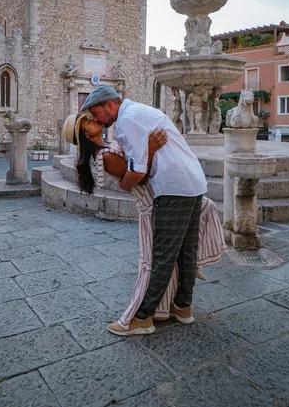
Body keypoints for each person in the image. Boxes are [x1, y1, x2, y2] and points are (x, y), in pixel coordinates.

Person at [62, 111, 226, 334]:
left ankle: (178, 306)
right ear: (85, 136)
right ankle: (148, 315)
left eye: (90, 117)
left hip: (167, 196)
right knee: (156, 262)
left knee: (185, 251)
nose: (93, 120)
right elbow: (137, 178)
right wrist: (148, 150)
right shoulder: (103, 156)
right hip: (152, 204)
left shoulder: (109, 145)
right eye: (87, 123)